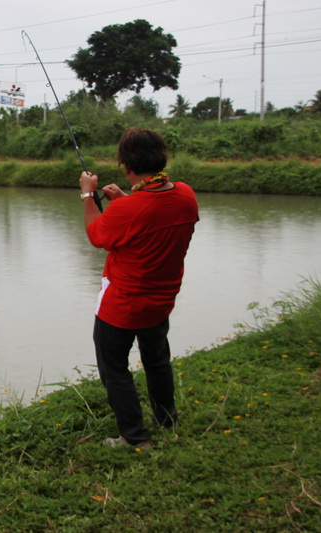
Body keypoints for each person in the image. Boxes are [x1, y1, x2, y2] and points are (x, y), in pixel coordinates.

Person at [79, 127, 199, 450]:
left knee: (114, 368)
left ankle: (134, 437)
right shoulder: (186, 195)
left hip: (121, 305)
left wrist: (88, 195)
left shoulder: (127, 210)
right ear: (162, 158)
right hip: (162, 301)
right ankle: (166, 419)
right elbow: (153, 215)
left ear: (126, 164)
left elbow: (96, 234)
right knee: (157, 359)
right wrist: (124, 200)